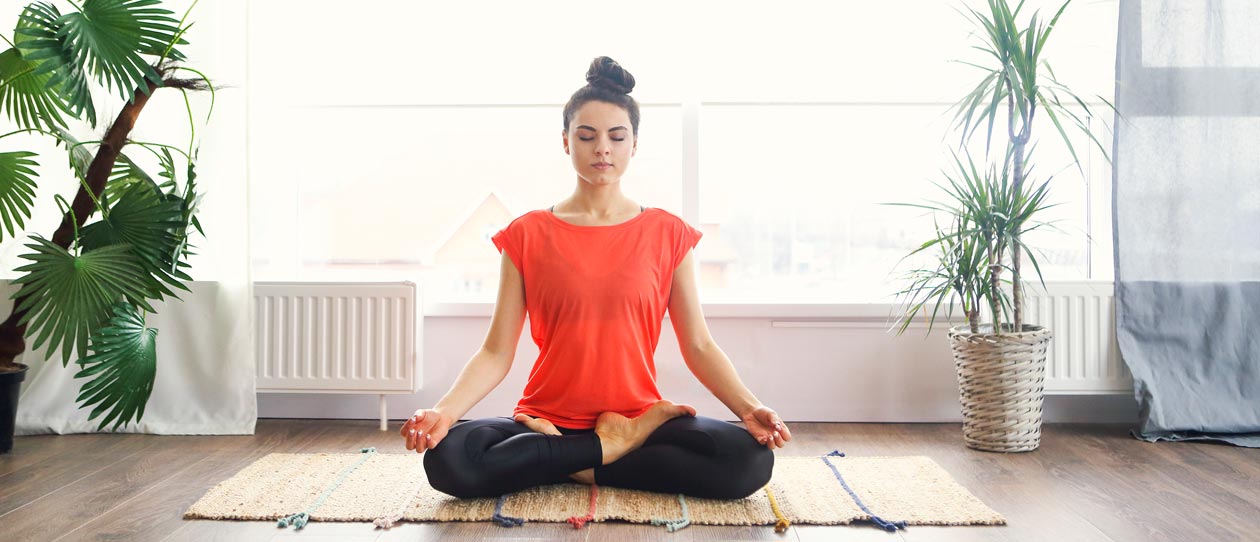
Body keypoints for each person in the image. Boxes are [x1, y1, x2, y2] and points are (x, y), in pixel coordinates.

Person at [400, 56, 792, 500]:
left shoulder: (668, 233)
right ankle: (607, 449)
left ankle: (569, 461)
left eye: (616, 136)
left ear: (634, 145)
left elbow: (698, 344)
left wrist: (749, 407)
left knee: (749, 460)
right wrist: (444, 412)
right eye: (587, 136)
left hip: (640, 418)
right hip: (545, 420)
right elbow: (496, 350)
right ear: (566, 143)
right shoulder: (526, 234)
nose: (602, 148)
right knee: (447, 459)